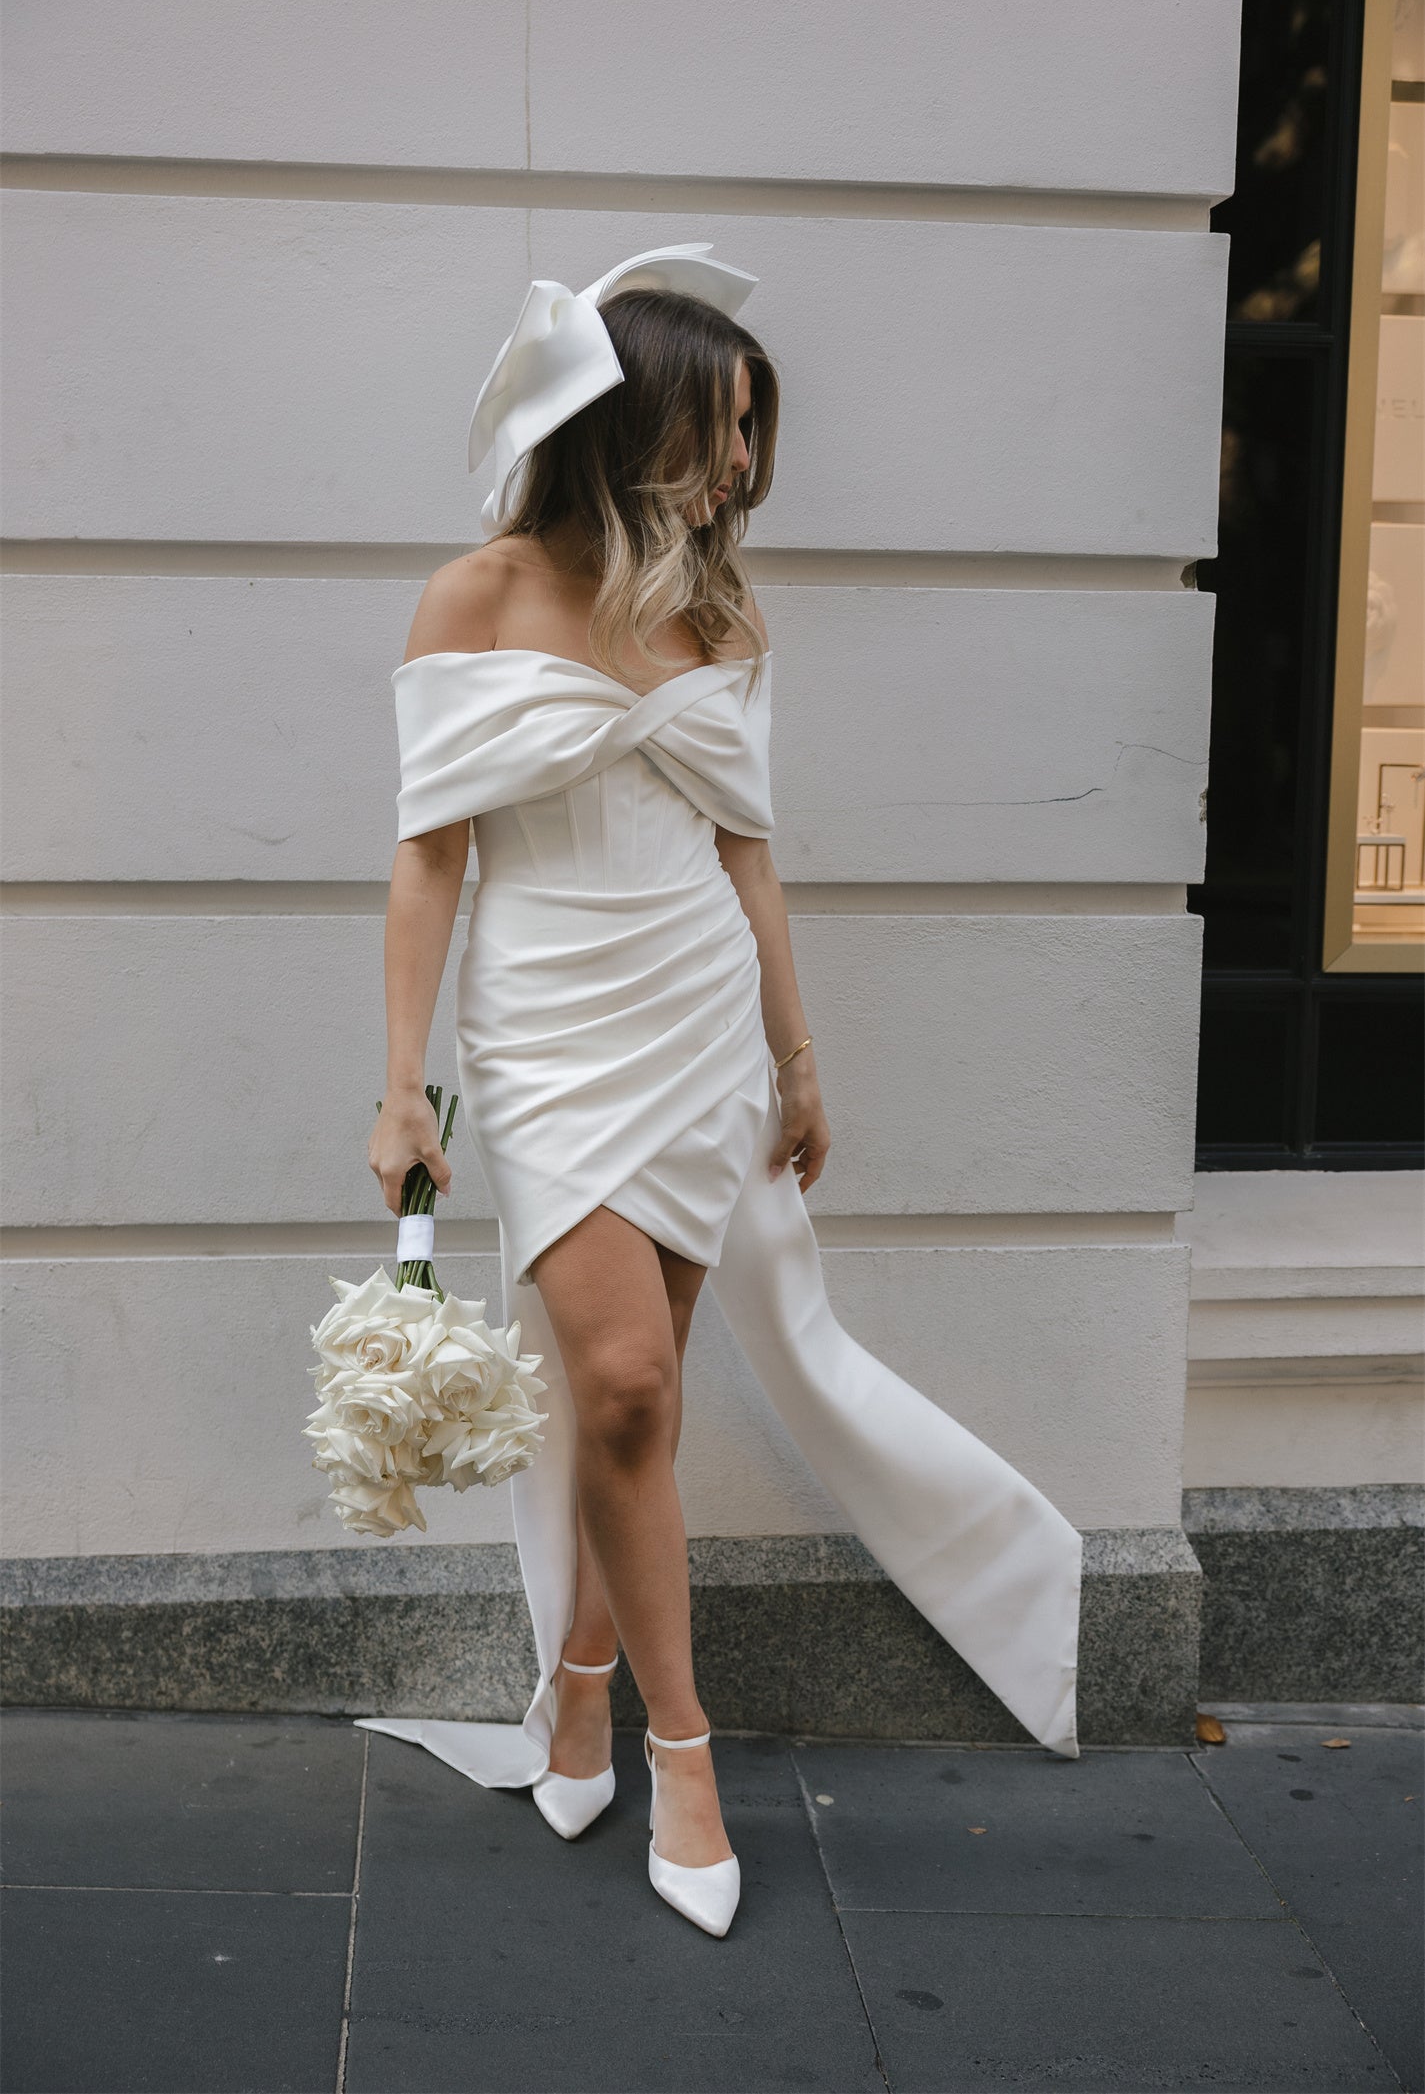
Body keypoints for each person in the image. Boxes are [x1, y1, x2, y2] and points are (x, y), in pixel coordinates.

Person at [358, 245, 1083, 1941]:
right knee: (618, 1382)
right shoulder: (472, 594)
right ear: (628, 418)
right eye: (720, 425)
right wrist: (399, 1087)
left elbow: (747, 848)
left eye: (754, 432)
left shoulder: (726, 609)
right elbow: (424, 860)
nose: (740, 465)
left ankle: (590, 1686)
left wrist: (800, 1049)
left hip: (696, 1014)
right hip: (541, 1025)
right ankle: (687, 1753)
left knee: (642, 1403)